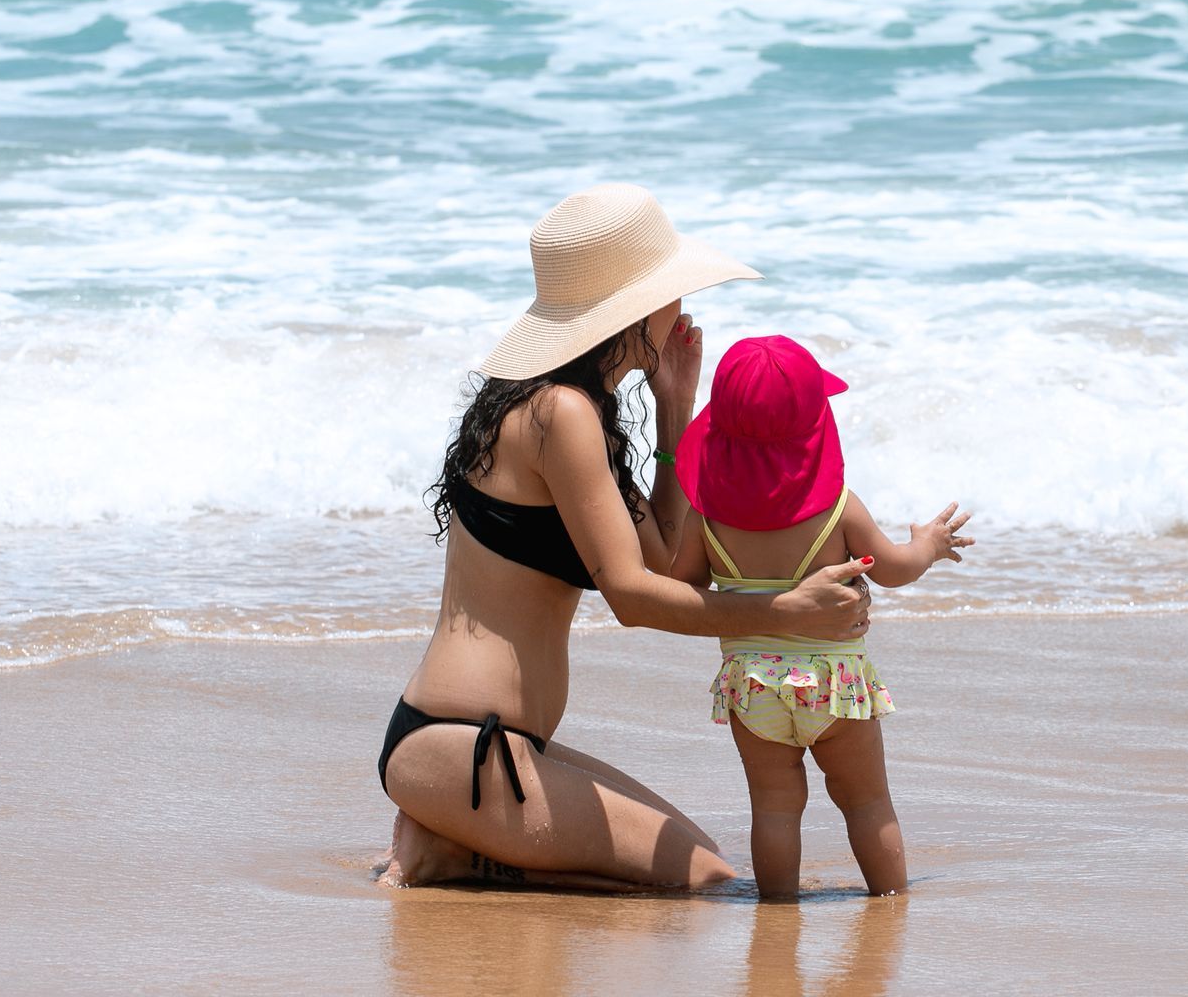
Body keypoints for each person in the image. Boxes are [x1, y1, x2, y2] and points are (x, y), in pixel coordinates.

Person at [377, 183, 897, 891]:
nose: (684, 308)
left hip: (480, 743)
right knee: (709, 881)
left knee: (698, 855)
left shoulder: (572, 406)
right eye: (674, 292)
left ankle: (458, 840)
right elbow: (632, 596)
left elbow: (665, 563)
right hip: (469, 748)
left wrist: (676, 406)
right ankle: (452, 852)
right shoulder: (560, 413)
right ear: (640, 308)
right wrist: (783, 613)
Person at [662, 335, 973, 898]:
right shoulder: (838, 507)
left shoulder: (705, 516)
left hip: (752, 685)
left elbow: (681, 588)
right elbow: (894, 568)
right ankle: (889, 904)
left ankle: (777, 910)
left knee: (775, 809)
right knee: (866, 800)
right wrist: (929, 544)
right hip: (834, 683)